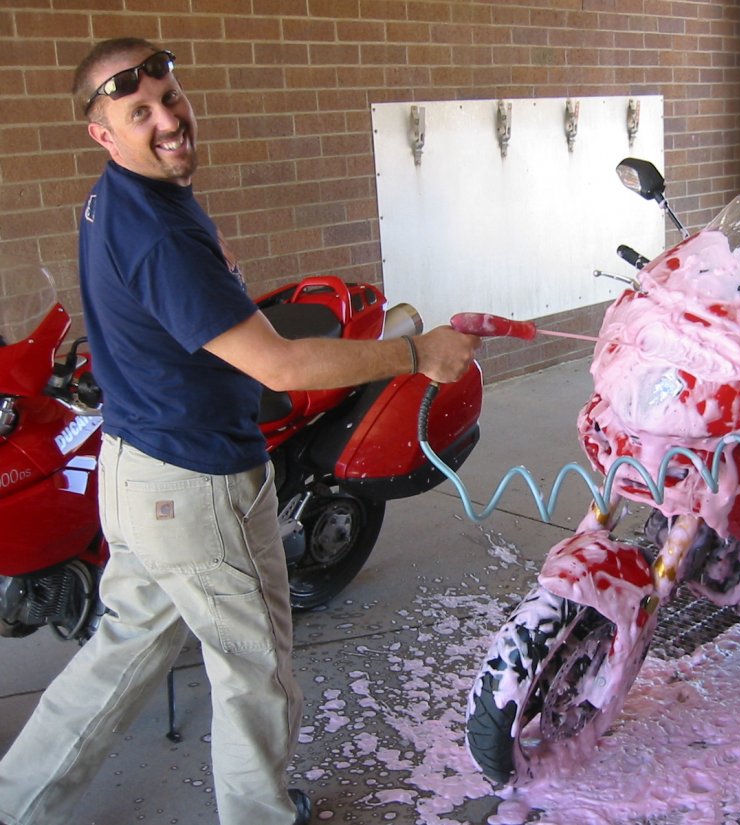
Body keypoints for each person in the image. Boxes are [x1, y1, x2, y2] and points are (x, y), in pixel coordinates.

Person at [0, 37, 479, 825]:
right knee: (253, 667)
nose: (168, 119)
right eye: (139, 111)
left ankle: (17, 803)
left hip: (134, 468)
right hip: (194, 485)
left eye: (170, 97)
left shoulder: (122, 199)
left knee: (120, 657)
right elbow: (281, 368)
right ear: (102, 133)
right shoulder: (157, 229)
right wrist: (416, 353)